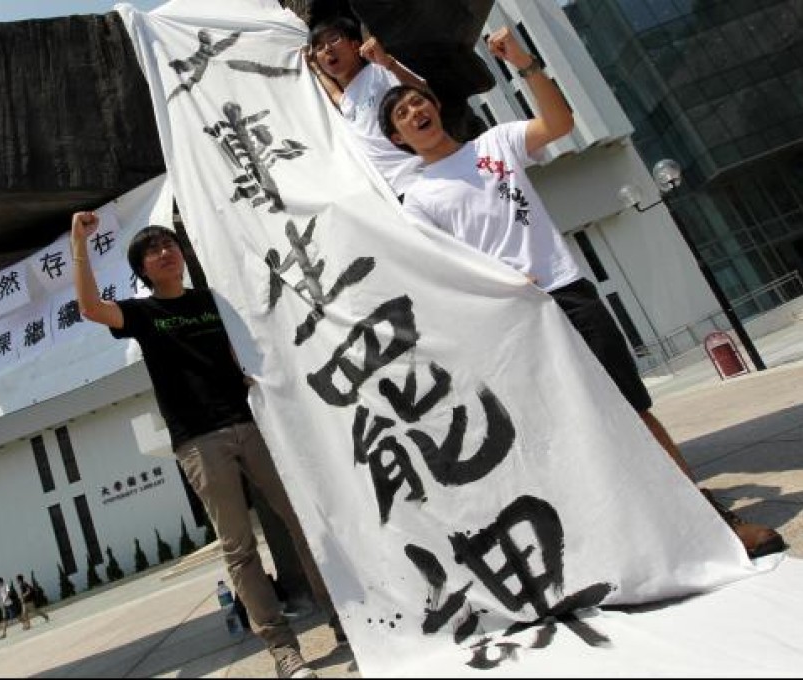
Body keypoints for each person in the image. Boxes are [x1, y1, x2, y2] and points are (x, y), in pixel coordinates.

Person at [377, 28, 786, 560]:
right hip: (512, 324)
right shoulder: (419, 200)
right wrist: (498, 286)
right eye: (401, 115)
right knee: (567, 433)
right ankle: (620, 543)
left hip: (567, 293)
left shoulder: (494, 145)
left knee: (633, 409)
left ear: (434, 107)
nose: (413, 113)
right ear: (397, 140)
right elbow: (438, 273)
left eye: (417, 101)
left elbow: (559, 123)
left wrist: (523, 63)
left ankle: (711, 521)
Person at [70, 213, 344, 678]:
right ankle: (283, 650)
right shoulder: (143, 314)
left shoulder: (212, 301)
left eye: (170, 244)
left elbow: (246, 346)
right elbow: (92, 308)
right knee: (240, 548)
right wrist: (79, 241)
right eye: (153, 249)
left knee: (306, 522)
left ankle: (343, 617)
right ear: (143, 268)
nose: (165, 252)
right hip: (199, 441)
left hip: (252, 425)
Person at [304, 16, 426, 197]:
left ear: (355, 46)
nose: (328, 49)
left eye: (334, 39)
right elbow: (337, 97)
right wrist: (316, 69)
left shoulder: (380, 69)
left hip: (420, 177)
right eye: (320, 48)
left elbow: (424, 93)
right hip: (393, 196)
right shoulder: (346, 101)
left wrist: (389, 63)